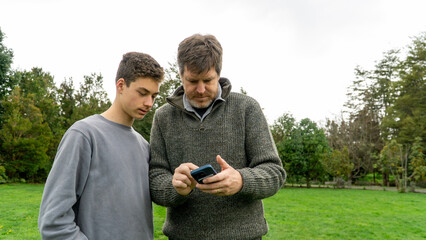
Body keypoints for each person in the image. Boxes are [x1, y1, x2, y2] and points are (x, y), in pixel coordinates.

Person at [149, 34, 286, 240]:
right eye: (193, 81)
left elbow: (274, 173)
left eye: (208, 80)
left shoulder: (246, 108)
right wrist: (174, 186)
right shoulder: (163, 117)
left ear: (219, 73)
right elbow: (155, 179)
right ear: (180, 74)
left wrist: (241, 180)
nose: (201, 89)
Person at [38, 52, 164, 240]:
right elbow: (54, 221)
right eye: (142, 93)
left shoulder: (143, 146)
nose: (149, 103)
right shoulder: (84, 135)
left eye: (153, 96)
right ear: (120, 85)